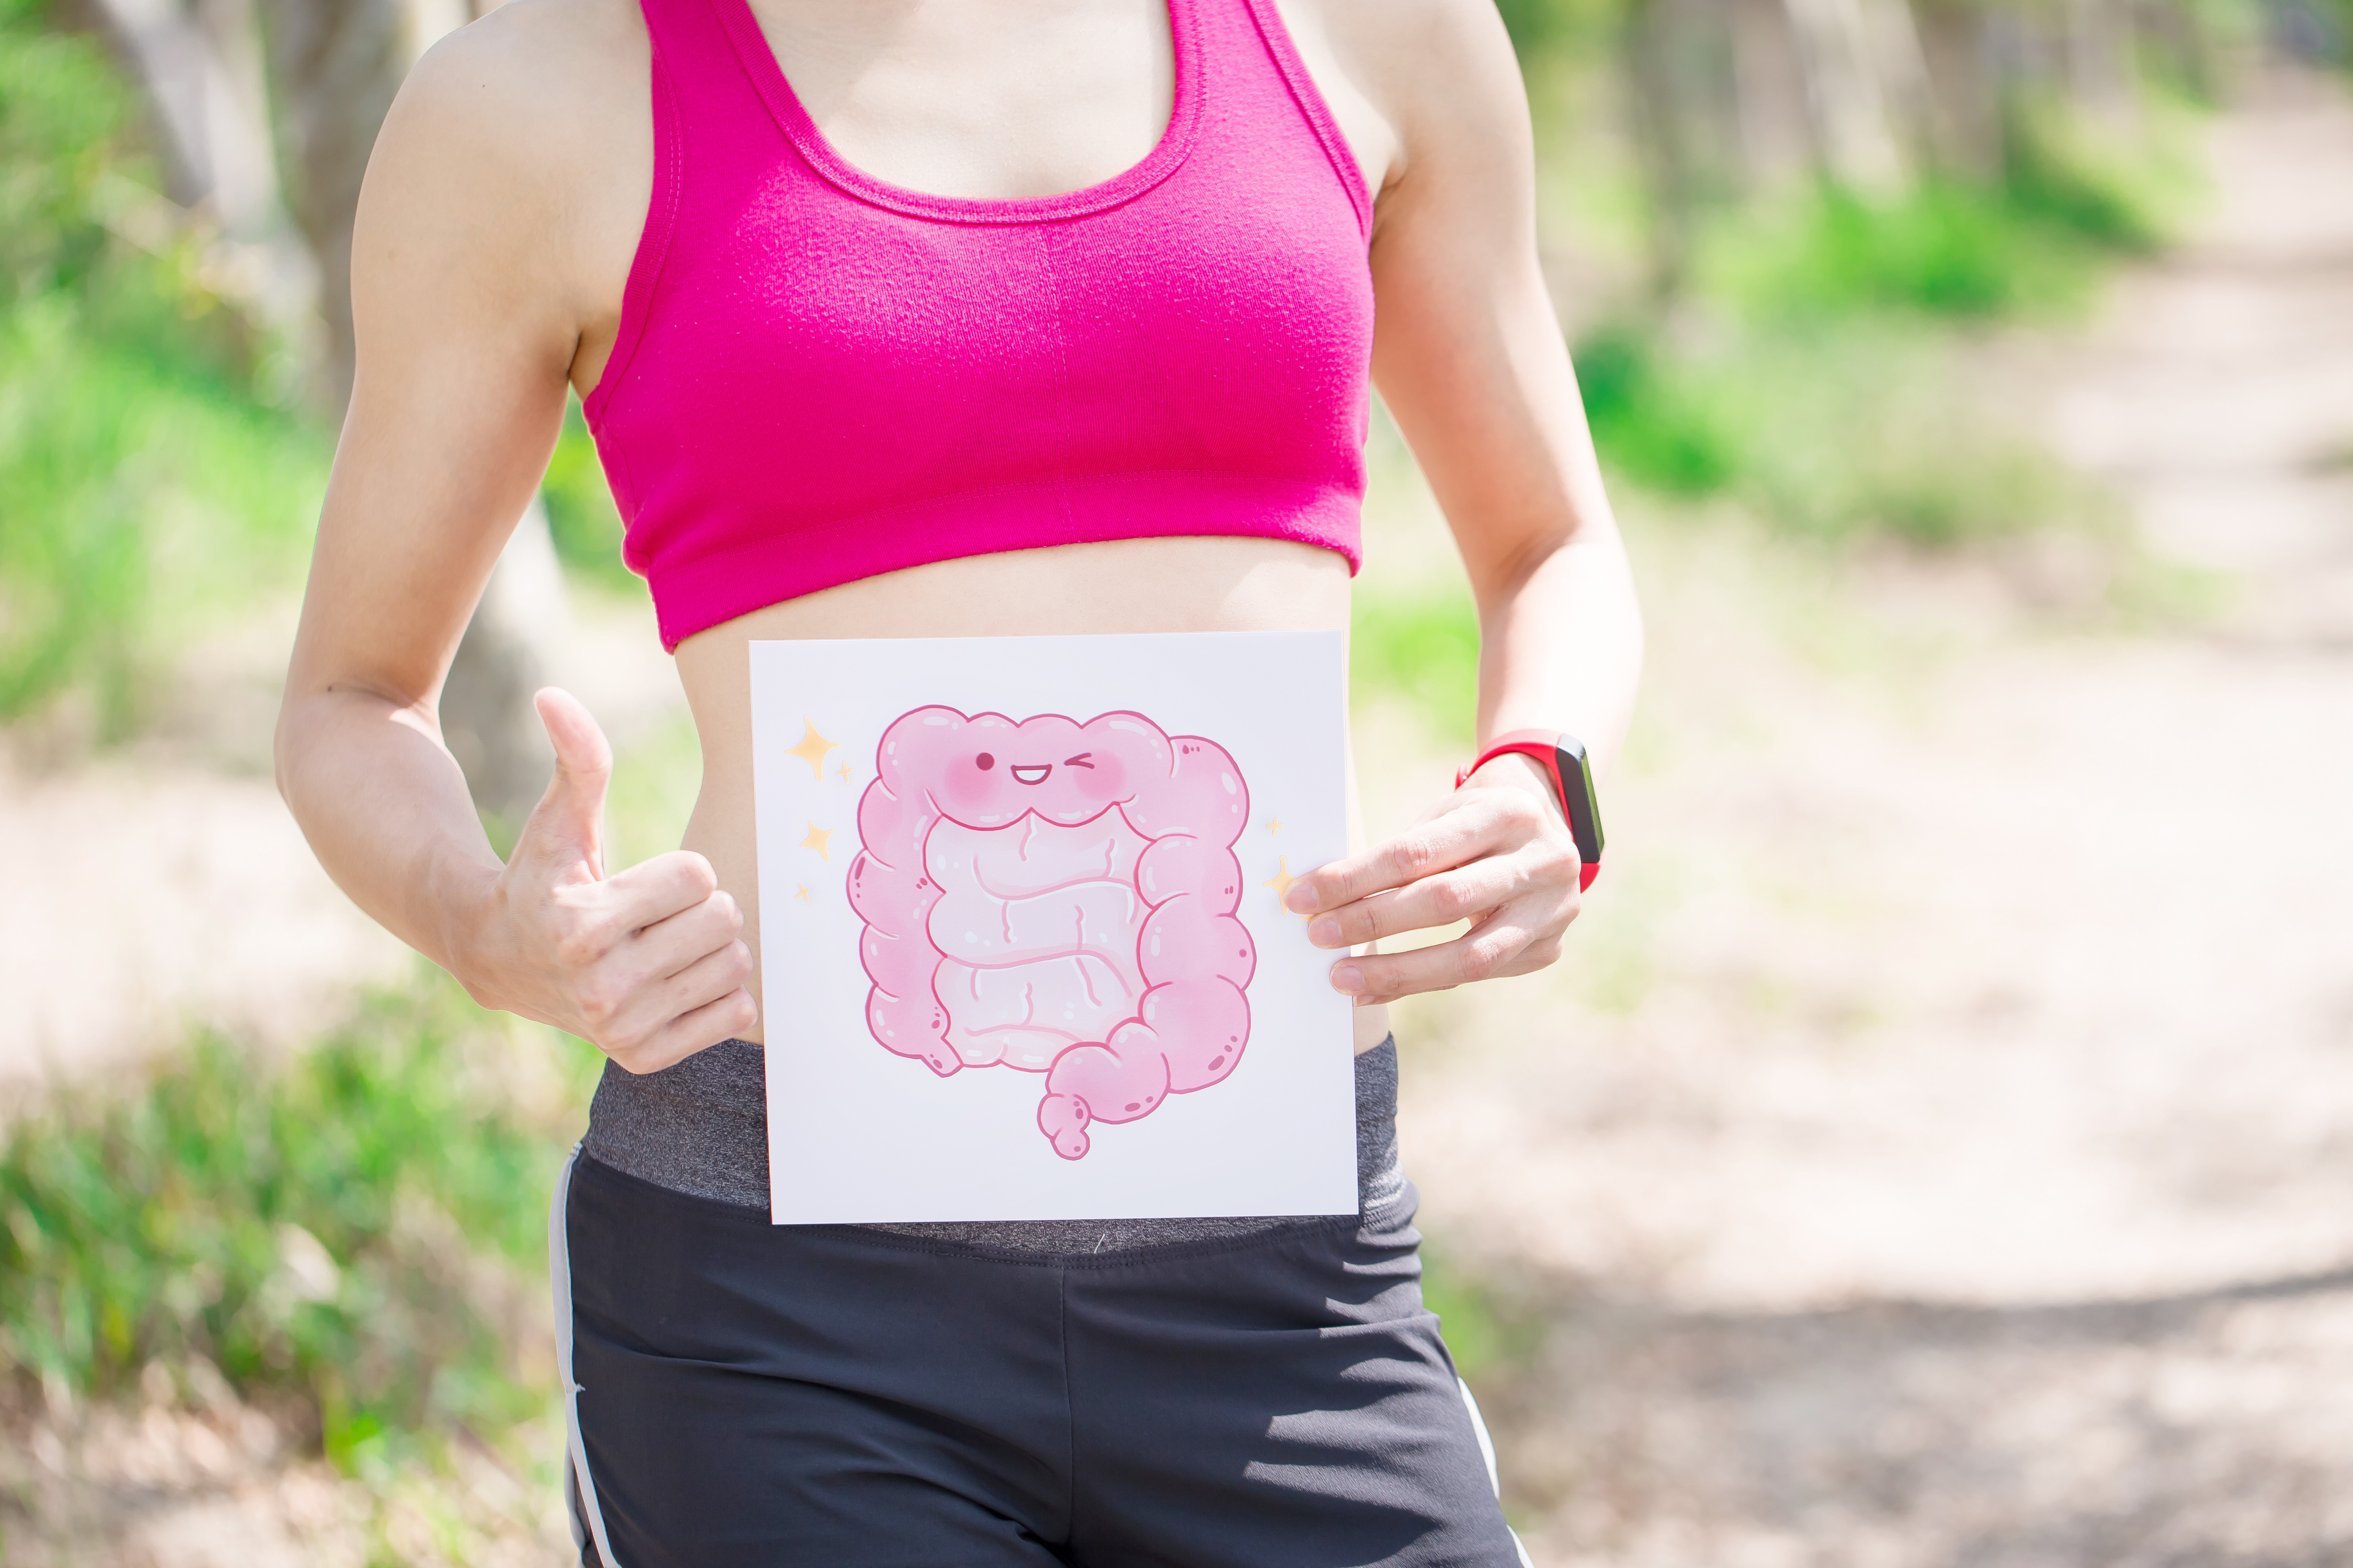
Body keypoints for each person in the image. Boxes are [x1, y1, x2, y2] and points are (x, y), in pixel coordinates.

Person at [276, 0, 1643, 1559]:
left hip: (1291, 1294)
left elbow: (1554, 547)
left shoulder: (1368, 26)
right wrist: (483, 927)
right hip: (773, 1317)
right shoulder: (536, 96)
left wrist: (1544, 782)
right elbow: (348, 697)